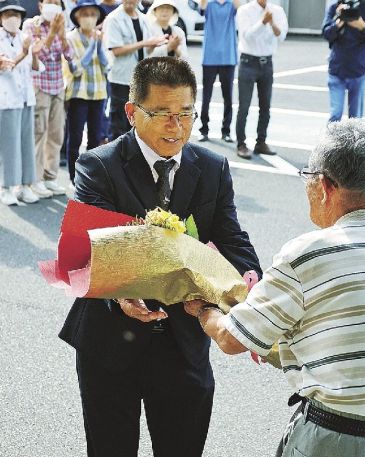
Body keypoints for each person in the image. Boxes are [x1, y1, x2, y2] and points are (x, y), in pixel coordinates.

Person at [185, 119, 365, 457]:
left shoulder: (306, 255)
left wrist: (207, 311)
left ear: (324, 186)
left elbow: (232, 338)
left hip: (340, 440)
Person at [59, 57, 262, 457]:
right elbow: (89, 247)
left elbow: (231, 237)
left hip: (183, 344)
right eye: (163, 114)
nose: (177, 126)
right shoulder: (99, 165)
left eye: (186, 113)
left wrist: (252, 284)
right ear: (132, 113)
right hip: (110, 342)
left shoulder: (212, 166)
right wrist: (120, 294)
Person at [23, 0, 73, 199]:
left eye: (56, 2)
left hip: (57, 85)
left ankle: (49, 177)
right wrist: (52, 33)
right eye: (49, 2)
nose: (53, 5)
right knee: (38, 133)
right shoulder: (31, 25)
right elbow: (38, 55)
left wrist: (61, 35)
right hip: (39, 86)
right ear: (40, 5)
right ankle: (34, 180)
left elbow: (69, 56)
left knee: (56, 134)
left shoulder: (63, 23)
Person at [0, 0, 44, 206]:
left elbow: (36, 67)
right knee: (10, 144)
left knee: (27, 141)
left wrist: (33, 54)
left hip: (27, 97)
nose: (13, 19)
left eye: (16, 15)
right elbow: (5, 67)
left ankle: (26, 185)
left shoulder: (24, 38)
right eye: (8, 14)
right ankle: (7, 187)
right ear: (1, 18)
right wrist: (24, 52)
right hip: (7, 100)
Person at [103, 0, 167, 140]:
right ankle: (116, 159)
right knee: (118, 125)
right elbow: (116, 50)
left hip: (140, 80)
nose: (130, 1)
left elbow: (148, 49)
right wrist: (145, 43)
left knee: (136, 124)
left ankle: (132, 159)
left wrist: (157, 43)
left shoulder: (144, 18)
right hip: (121, 80)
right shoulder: (114, 19)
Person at [235, 0, 288, 159]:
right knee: (244, 106)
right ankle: (241, 144)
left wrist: (271, 23)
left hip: (267, 63)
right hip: (248, 62)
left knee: (265, 106)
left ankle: (261, 141)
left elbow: (282, 36)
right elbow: (246, 36)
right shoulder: (244, 10)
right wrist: (262, 22)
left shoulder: (277, 10)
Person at [65, 0, 108, 183]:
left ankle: (89, 178)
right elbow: (75, 68)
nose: (89, 18)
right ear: (77, 17)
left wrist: (98, 46)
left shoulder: (101, 37)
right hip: (78, 94)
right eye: (85, 14)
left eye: (93, 14)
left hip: (98, 93)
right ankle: (74, 177)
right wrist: (92, 47)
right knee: (74, 137)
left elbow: (107, 67)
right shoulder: (70, 38)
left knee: (95, 138)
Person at [323, 0, 365, 123]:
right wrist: (339, 20)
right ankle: (331, 142)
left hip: (358, 72)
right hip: (336, 71)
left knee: (356, 119)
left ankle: (355, 143)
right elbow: (326, 34)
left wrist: (363, 26)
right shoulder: (335, 8)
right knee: (335, 115)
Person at [198, 0, 240, 143]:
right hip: (209, 57)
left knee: (228, 97)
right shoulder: (209, 4)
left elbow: (238, 7)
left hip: (228, 57)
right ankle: (204, 129)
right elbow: (201, 8)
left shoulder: (231, 5)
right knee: (206, 97)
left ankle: (226, 131)